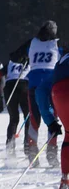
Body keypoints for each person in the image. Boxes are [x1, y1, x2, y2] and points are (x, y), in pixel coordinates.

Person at [10, 20, 63, 167]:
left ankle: (33, 154)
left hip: (33, 85)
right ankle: (52, 154)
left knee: (34, 119)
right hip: (52, 85)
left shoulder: (32, 42)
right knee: (52, 118)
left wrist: (25, 58)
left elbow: (14, 57)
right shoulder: (58, 44)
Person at [37, 52, 69, 189]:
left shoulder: (60, 63)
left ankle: (65, 188)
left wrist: (50, 121)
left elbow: (41, 91)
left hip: (59, 92)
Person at [2, 59, 30, 156]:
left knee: (13, 119)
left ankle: (10, 146)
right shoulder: (30, 60)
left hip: (9, 87)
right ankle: (28, 145)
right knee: (28, 118)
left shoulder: (10, 62)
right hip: (24, 86)